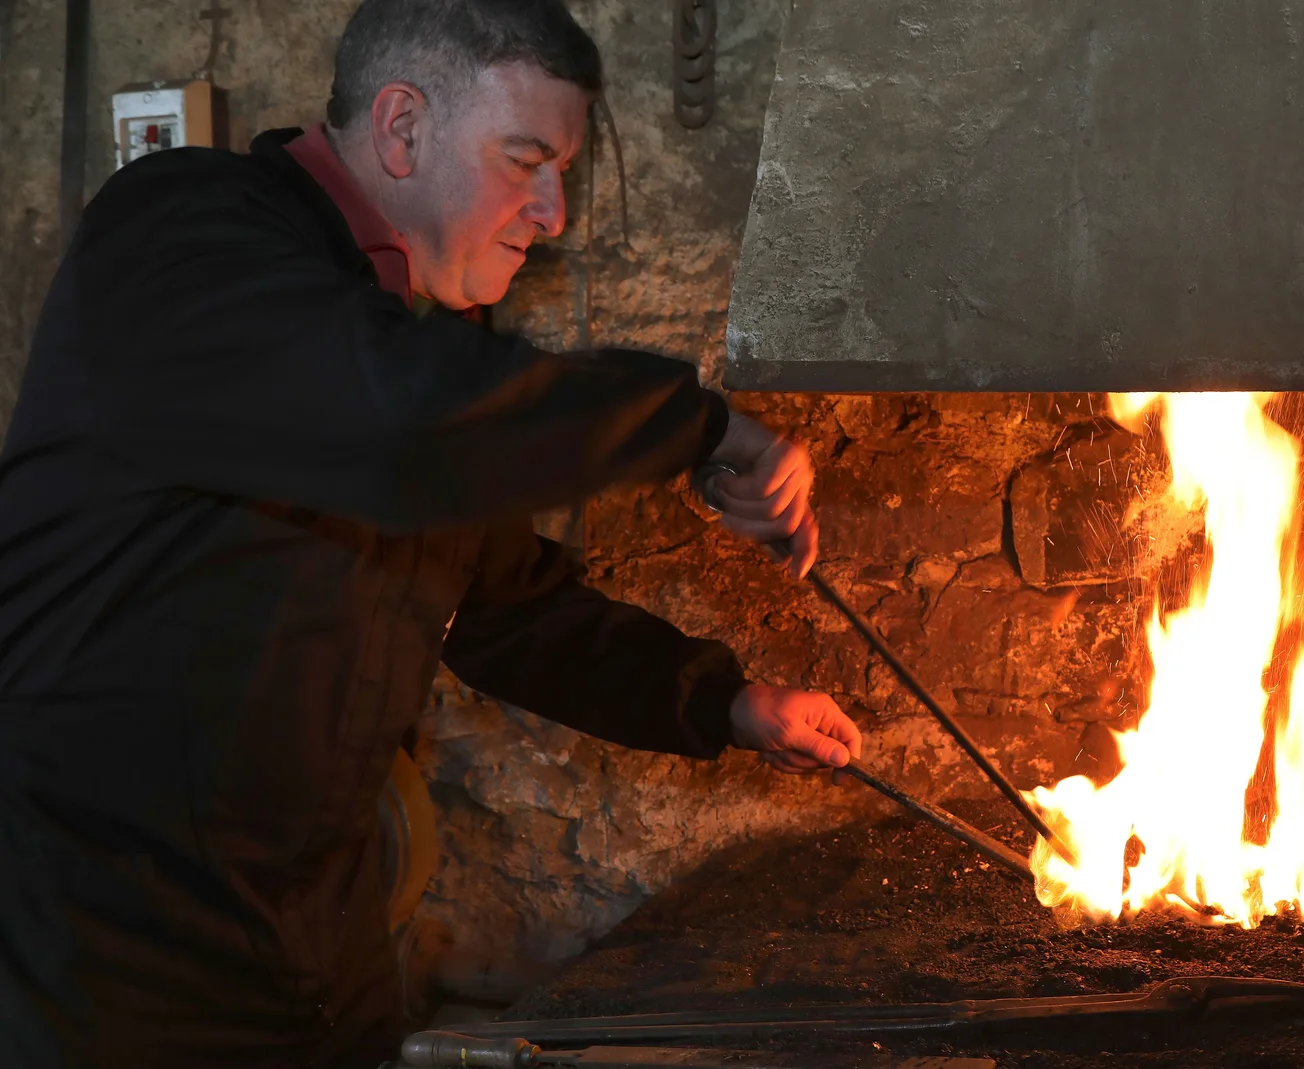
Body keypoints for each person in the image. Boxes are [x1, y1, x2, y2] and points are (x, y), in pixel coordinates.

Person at [0, 0, 862, 1064]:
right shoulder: (187, 232)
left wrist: (725, 702)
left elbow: (503, 606)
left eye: (565, 172)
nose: (550, 211)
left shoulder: (409, 340)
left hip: (320, 947)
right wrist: (698, 420)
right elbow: (400, 417)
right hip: (105, 961)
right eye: (525, 159)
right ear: (402, 128)